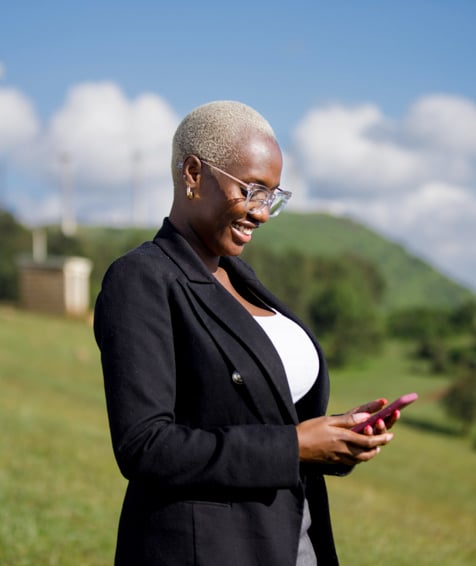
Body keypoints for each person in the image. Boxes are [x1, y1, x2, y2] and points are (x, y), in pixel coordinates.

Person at [94, 100, 397, 566]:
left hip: (293, 536)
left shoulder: (241, 278)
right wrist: (296, 447)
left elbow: (259, 412)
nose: (261, 213)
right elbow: (145, 446)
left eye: (273, 197)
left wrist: (335, 436)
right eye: (252, 190)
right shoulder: (142, 278)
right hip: (207, 549)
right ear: (193, 173)